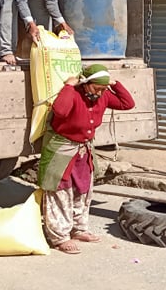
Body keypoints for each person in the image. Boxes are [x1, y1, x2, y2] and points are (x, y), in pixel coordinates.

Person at [38, 64, 135, 254]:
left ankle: (79, 229)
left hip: (83, 150)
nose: (99, 93)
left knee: (83, 189)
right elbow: (60, 111)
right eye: (96, 88)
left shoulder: (104, 95)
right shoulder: (73, 94)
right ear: (85, 83)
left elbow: (127, 103)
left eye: (103, 89)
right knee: (60, 190)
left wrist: (114, 84)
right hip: (62, 149)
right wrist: (68, 86)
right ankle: (59, 237)